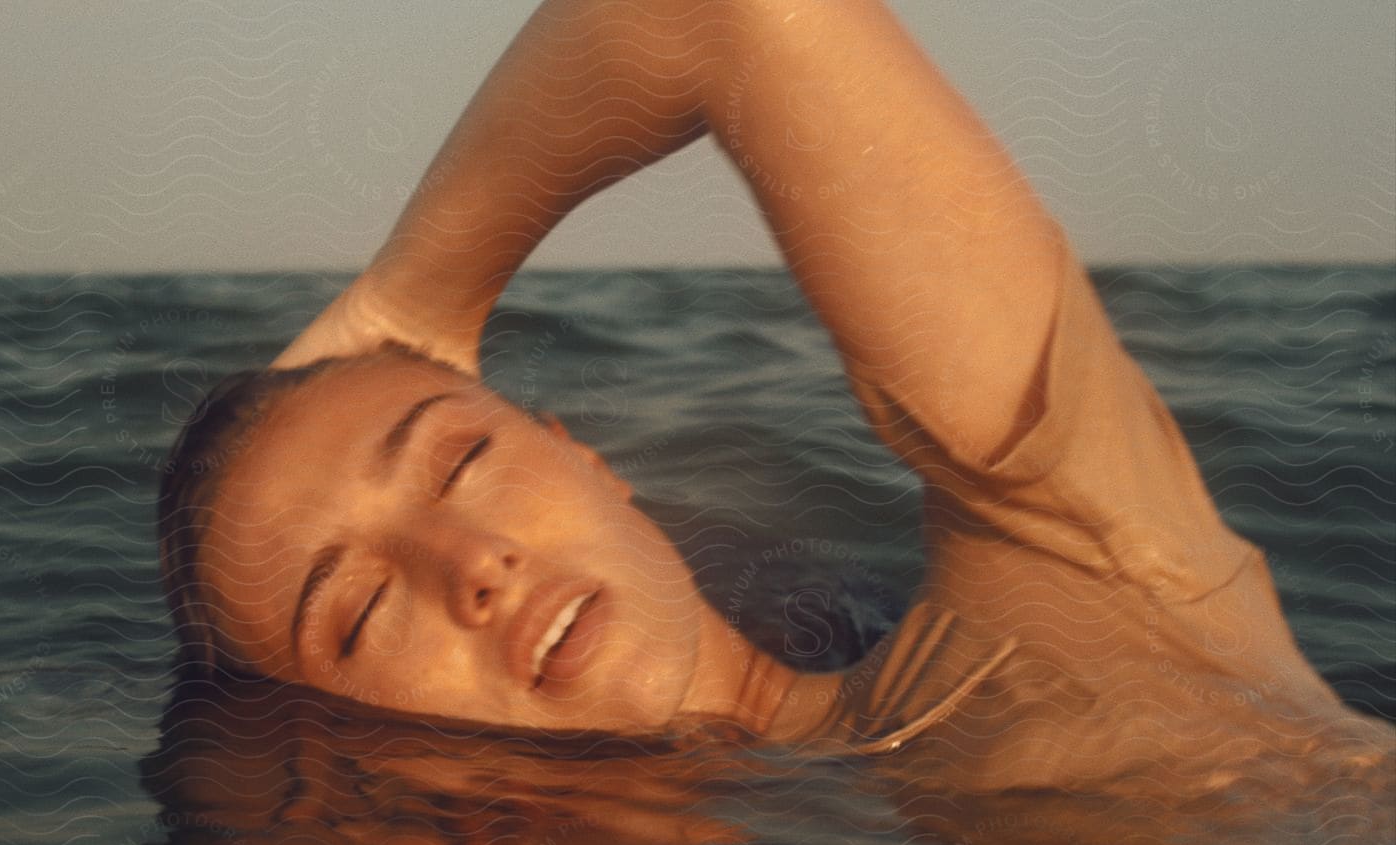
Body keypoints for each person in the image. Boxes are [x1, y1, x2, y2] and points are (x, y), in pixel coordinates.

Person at [158, 0, 1391, 792]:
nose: (467, 564)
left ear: (583, 453)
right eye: (362, 609)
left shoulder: (1083, 595)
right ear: (319, 729)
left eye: (459, 461)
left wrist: (415, 301)